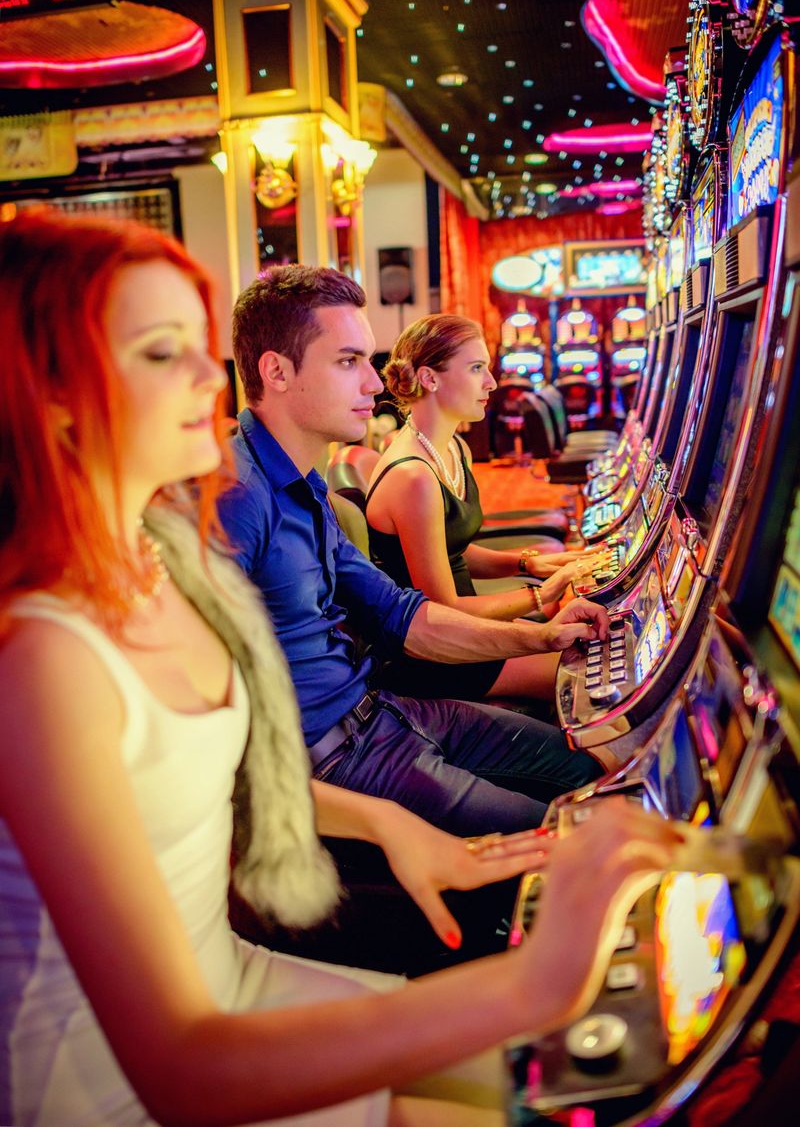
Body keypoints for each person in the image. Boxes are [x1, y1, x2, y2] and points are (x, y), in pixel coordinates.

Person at [0, 209, 687, 1127]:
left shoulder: (158, 568)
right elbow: (181, 1071)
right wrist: (535, 979)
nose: (211, 377)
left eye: (201, 347)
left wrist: (386, 822)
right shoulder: (48, 655)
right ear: (50, 395)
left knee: (579, 1061)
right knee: (561, 1056)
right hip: (112, 1088)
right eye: (164, 353)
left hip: (246, 967)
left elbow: (235, 757)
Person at [220, 264, 605, 838]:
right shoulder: (235, 498)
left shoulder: (306, 483)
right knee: (568, 837)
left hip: (381, 712)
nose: (375, 384)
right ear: (276, 371)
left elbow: (404, 615)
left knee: (585, 769)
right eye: (348, 361)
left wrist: (543, 635)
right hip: (332, 764)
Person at [365, 313, 611, 702]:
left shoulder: (453, 448)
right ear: (429, 378)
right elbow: (444, 609)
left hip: (469, 632)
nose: (492, 383)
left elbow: (452, 551)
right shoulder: (413, 478)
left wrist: (528, 564)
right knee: (597, 681)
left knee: (600, 653)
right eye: (477, 368)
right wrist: (542, 594)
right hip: (443, 654)